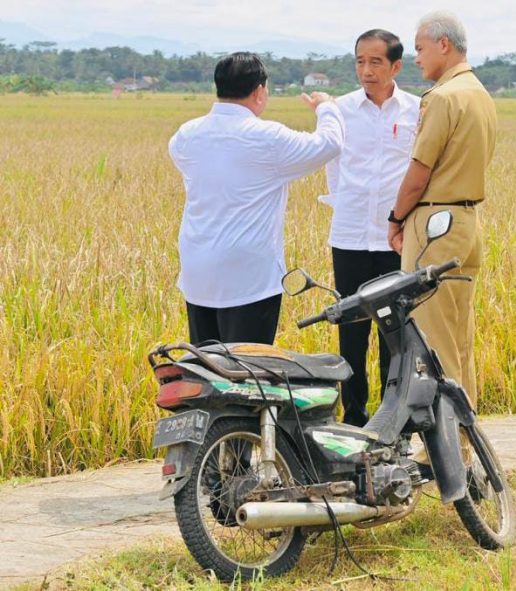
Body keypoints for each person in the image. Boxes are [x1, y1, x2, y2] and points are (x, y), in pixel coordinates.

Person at [169, 52, 344, 346]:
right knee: (248, 372)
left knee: (206, 368)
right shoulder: (267, 138)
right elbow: (329, 144)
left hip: (198, 271)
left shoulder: (186, 135)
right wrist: (326, 108)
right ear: (260, 91)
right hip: (247, 276)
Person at [388, 12, 497, 409]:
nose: (416, 57)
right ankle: (465, 446)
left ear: (443, 45)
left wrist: (396, 218)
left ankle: (444, 454)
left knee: (431, 343)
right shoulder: (480, 94)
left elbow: (419, 172)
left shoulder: (442, 98)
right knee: (460, 341)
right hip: (468, 224)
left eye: (419, 48)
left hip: (435, 225)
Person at [320, 30, 420, 427]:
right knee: (351, 333)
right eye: (360, 61)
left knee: (395, 334)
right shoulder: (340, 110)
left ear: (396, 66)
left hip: (395, 239)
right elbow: (332, 167)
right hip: (348, 236)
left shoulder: (417, 110)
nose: (366, 70)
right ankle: (354, 418)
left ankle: (393, 418)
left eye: (376, 62)